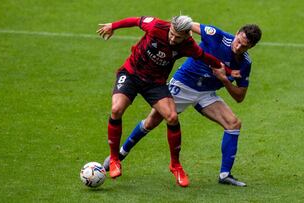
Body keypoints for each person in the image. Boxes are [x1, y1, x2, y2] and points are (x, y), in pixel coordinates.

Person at [103, 22, 262, 187]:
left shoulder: (245, 63)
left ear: (251, 46)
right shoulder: (217, 35)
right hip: (183, 85)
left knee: (233, 123)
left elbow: (239, 96)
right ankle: (120, 154)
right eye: (238, 41)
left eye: (244, 46)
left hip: (207, 94)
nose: (238, 47)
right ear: (236, 33)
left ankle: (225, 175)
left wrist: (224, 79)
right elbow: (184, 23)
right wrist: (184, 34)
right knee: (151, 122)